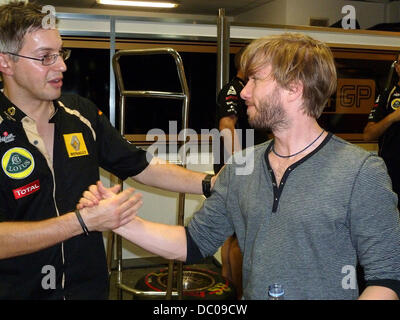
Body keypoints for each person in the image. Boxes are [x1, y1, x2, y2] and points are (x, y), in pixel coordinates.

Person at [81, 33, 400, 300]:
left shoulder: (360, 171)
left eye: (255, 80)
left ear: (294, 88)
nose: (243, 92)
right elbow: (192, 242)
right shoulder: (241, 167)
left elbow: (387, 279)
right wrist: (119, 221)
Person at [0, 2, 215, 300]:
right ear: (6, 62)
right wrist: (83, 222)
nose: (61, 66)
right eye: (45, 57)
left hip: (89, 291)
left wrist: (210, 182)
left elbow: (142, 166)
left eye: (60, 53)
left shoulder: (81, 113)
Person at [215, 47, 269, 299]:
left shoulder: (242, 88)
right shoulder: (235, 89)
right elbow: (226, 124)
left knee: (231, 234)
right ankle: (238, 295)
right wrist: (241, 165)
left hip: (237, 165)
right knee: (241, 240)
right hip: (239, 168)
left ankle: (227, 288)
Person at [363, 54, 400, 211]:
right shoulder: (387, 95)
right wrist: (393, 117)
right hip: (393, 173)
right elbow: (368, 135)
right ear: (397, 67)